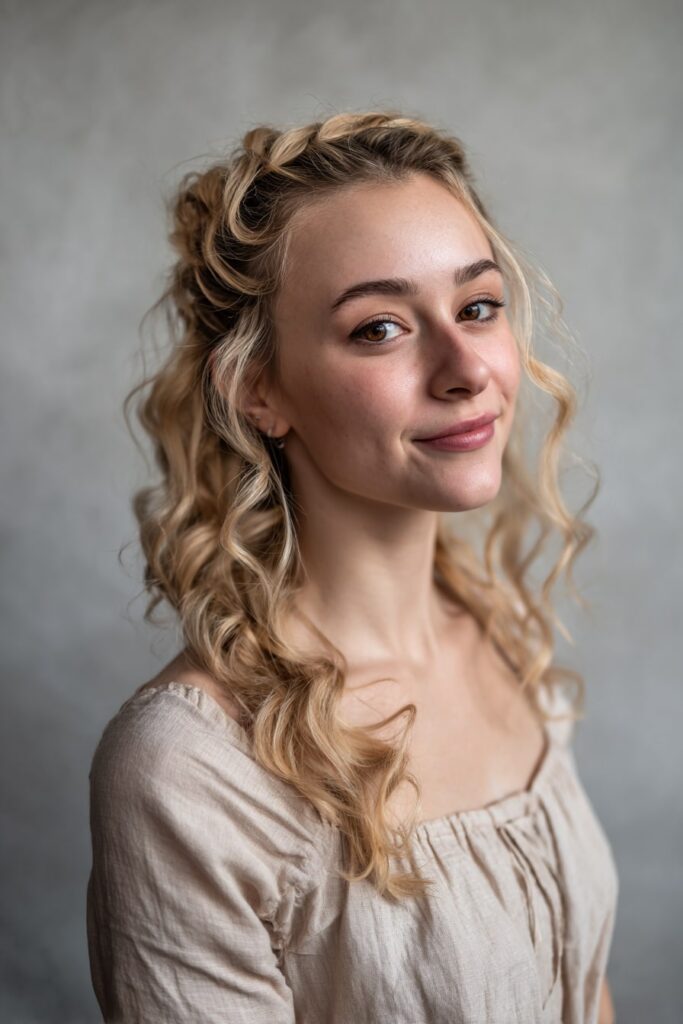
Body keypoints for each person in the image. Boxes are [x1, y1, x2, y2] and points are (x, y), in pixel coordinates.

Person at [86, 111, 618, 1023]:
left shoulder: (506, 632)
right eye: (378, 328)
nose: (463, 369)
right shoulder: (189, 771)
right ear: (260, 390)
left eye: (478, 306)